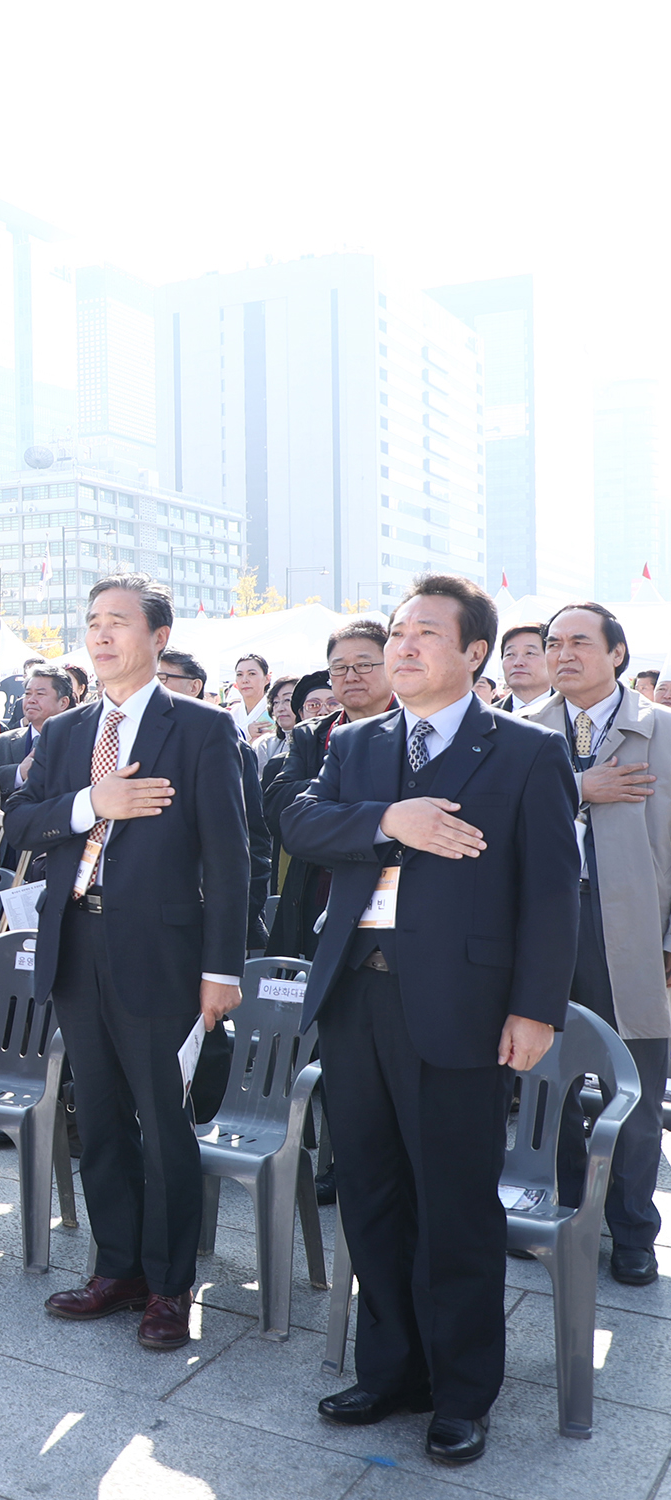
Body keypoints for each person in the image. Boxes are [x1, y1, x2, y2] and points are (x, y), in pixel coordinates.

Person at [282, 574, 575, 1466]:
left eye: (424, 636)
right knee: (369, 1193)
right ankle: (391, 1369)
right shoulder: (359, 743)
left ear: (475, 653)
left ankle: (461, 1392)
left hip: (461, 1009)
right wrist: (390, 821)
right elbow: (301, 823)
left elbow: (553, 894)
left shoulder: (522, 752)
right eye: (398, 633)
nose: (402, 648)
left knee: (454, 1206)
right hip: (355, 998)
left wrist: (536, 1010)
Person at [7, 574, 248, 1352]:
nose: (101, 635)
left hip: (163, 954)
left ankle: (171, 1285)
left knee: (163, 1122)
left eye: (118, 622)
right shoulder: (69, 731)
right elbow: (19, 825)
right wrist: (89, 806)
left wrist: (222, 968)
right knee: (99, 1116)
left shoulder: (203, 729)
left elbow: (232, 856)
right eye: (91, 621)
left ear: (158, 638)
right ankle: (117, 1269)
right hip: (76, 941)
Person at [532, 603, 670, 1287]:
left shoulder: (662, 731)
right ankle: (554, 1211)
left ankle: (634, 1230)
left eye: (580, 642)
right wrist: (578, 789)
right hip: (546, 932)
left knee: (637, 1093)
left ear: (617, 653)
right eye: (553, 642)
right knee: (544, 1081)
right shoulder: (521, 733)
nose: (563, 654)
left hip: (638, 934)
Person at [264, 623, 395, 960]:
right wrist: (365, 801)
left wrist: (325, 809)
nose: (351, 676)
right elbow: (280, 807)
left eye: (364, 665)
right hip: (314, 887)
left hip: (389, 894)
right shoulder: (312, 734)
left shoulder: (417, 727)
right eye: (339, 667)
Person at [159, 649, 272, 951]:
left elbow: (251, 841)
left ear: (194, 687)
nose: (153, 687)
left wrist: (239, 918)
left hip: (207, 915)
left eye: (163, 678)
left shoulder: (228, 742)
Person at [0, 664, 75, 800]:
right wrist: (19, 773)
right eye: (27, 693)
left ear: (63, 703)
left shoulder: (80, 742)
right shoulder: (1, 743)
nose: (31, 700)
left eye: (40, 694)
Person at [493, 621, 553, 714]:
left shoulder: (572, 714)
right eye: (510, 654)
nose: (518, 663)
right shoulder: (487, 718)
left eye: (529, 653)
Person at [232, 653, 274, 742]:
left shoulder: (274, 711)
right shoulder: (231, 713)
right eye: (239, 674)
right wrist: (247, 732)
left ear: (267, 679)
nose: (244, 680)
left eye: (252, 674)